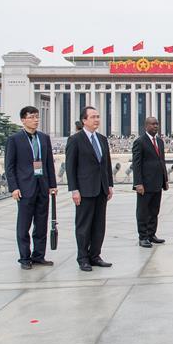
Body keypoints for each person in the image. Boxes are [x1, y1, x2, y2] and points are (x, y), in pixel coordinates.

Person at [5, 106, 57, 270]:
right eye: (32, 117)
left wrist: (52, 185)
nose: (35, 120)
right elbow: (9, 166)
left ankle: (39, 255)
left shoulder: (43, 138)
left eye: (37, 117)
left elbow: (49, 163)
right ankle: (24, 257)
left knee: (41, 223)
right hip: (25, 187)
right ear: (23, 119)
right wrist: (14, 187)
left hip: (42, 185)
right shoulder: (15, 139)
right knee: (24, 224)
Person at [66, 106, 114, 272]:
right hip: (84, 190)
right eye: (93, 117)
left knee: (99, 225)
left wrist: (109, 185)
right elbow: (70, 168)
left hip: (101, 189)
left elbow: (106, 164)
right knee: (84, 226)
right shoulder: (75, 140)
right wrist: (74, 189)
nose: (96, 120)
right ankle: (83, 258)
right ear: (84, 120)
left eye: (98, 116)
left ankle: (95, 256)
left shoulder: (102, 139)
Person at [132, 116, 169, 248]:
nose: (155, 126)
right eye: (153, 124)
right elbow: (136, 164)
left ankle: (151, 234)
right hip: (145, 184)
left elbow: (162, 161)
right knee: (143, 211)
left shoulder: (159, 142)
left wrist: (165, 180)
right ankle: (143, 236)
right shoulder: (140, 142)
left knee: (154, 210)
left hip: (157, 182)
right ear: (146, 126)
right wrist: (138, 183)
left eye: (157, 124)